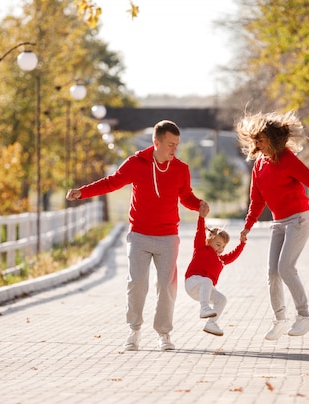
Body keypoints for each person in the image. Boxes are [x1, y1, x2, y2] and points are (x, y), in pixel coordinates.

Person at [66, 120, 208, 351]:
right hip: (139, 235)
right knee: (137, 284)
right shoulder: (136, 163)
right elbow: (111, 183)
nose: (174, 149)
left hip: (168, 236)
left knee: (166, 285)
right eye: (170, 144)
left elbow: (186, 196)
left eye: (177, 144)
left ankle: (164, 334)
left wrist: (199, 204)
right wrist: (83, 192)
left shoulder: (181, 169)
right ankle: (134, 331)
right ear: (156, 143)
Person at [236, 111, 309, 341]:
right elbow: (257, 200)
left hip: (299, 219)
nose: (257, 145)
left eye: (261, 140)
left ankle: (305, 317)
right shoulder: (259, 165)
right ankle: (279, 320)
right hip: (279, 223)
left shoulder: (287, 159)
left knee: (286, 267)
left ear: (273, 139)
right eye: (255, 141)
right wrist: (247, 226)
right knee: (272, 273)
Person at [184, 204, 246, 337]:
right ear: (209, 240)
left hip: (202, 291)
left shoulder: (221, 260)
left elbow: (233, 255)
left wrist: (242, 243)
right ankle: (204, 308)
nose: (220, 249)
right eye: (218, 244)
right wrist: (201, 217)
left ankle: (211, 323)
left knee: (222, 299)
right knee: (207, 281)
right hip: (192, 282)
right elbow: (199, 231)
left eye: (223, 246)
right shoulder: (201, 248)